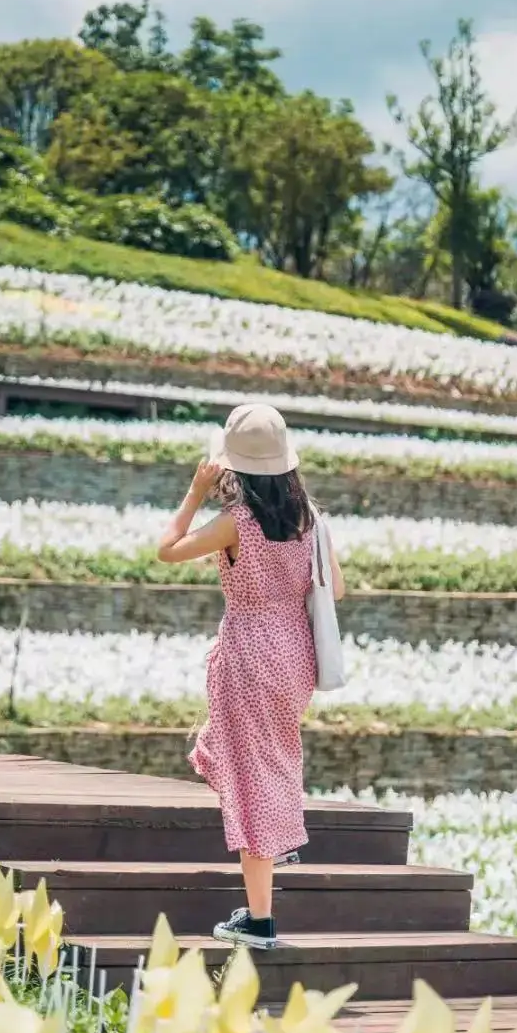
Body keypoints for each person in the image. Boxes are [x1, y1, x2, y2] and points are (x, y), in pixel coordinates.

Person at [157, 403, 345, 949]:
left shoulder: (235, 523)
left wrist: (194, 493)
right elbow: (336, 589)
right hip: (295, 658)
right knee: (269, 762)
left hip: (248, 654)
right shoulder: (310, 520)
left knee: (250, 778)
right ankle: (272, 843)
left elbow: (165, 550)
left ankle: (260, 917)